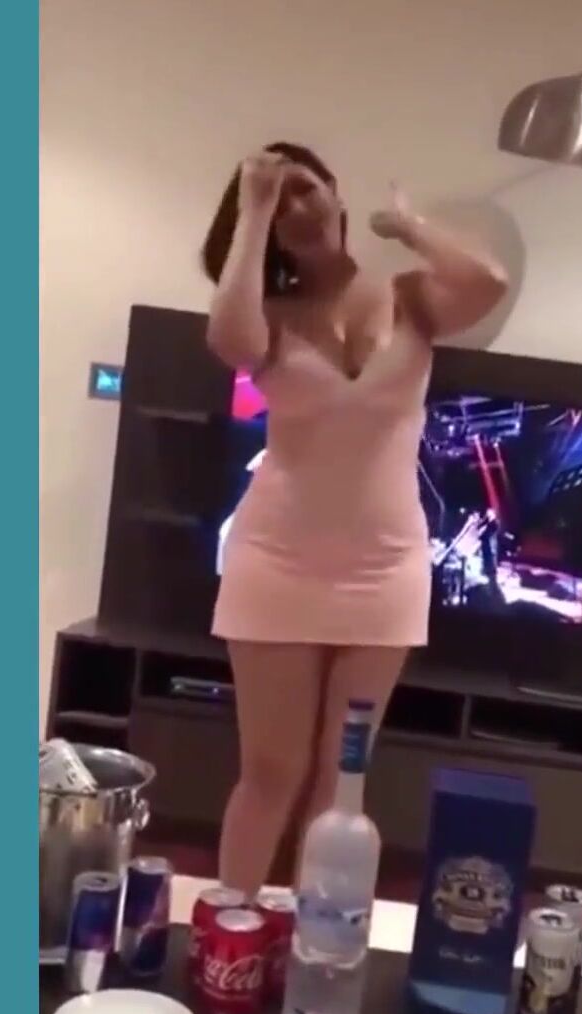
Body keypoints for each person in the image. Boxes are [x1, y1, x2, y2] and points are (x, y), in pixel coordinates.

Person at [202, 141, 508, 896]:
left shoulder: (410, 298)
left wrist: (410, 226)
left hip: (384, 569)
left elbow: (489, 281)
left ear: (337, 195)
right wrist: (254, 208)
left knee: (342, 780)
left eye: (304, 187)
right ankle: (229, 932)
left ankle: (313, 942)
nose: (295, 206)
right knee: (270, 770)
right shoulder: (267, 315)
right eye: (276, 200)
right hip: (276, 562)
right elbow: (229, 342)